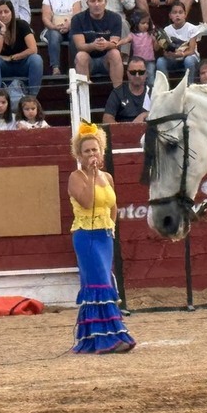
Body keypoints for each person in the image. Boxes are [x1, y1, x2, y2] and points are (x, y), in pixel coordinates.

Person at [68, 122, 135, 353]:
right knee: (100, 284)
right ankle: (109, 338)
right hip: (86, 236)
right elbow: (87, 201)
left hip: (105, 236)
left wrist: (112, 228)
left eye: (94, 150)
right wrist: (91, 176)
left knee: (103, 281)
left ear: (101, 151)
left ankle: (98, 338)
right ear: (79, 155)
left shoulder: (107, 176)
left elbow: (113, 205)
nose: (91, 154)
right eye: (86, 151)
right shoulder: (76, 177)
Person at [0, 0, 43, 100]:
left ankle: (32, 98)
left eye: (6, 11)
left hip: (22, 64)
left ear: (12, 13)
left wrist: (12, 57)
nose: (3, 15)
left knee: (36, 59)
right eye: (0, 12)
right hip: (5, 67)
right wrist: (2, 31)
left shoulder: (22, 24)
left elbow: (33, 49)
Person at [72, 0, 123, 87]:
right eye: (93, 1)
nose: (96, 4)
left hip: (106, 59)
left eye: (100, 0)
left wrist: (106, 44)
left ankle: (119, 94)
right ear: (87, 3)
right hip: (88, 60)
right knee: (81, 56)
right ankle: (83, 97)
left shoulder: (115, 18)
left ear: (105, 2)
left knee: (115, 53)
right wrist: (93, 45)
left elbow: (115, 44)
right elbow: (79, 46)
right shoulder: (77, 19)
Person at [41, 0, 82, 76]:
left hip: (71, 26)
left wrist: (69, 25)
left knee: (75, 36)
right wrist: (54, 27)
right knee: (53, 35)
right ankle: (55, 68)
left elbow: (77, 15)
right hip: (55, 28)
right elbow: (45, 18)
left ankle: (76, 68)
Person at [156, 2, 200, 84]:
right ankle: (165, 88)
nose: (177, 15)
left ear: (185, 14)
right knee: (160, 61)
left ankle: (190, 86)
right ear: (170, 16)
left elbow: (191, 50)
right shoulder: (167, 30)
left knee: (189, 60)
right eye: (174, 12)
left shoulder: (192, 28)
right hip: (173, 59)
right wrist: (170, 55)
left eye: (180, 12)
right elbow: (165, 50)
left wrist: (181, 54)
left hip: (188, 57)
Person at [102, 57, 151, 123]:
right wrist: (122, 129)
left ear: (146, 74)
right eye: (133, 72)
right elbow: (107, 118)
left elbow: (163, 114)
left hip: (148, 131)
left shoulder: (152, 92)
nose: (137, 76)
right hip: (123, 131)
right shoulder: (118, 93)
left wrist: (144, 115)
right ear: (127, 73)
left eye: (141, 72)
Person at [128, 11, 157, 81]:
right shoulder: (133, 35)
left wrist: (155, 40)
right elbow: (126, 41)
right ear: (136, 23)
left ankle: (150, 90)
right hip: (137, 62)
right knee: (138, 77)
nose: (146, 25)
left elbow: (156, 48)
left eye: (147, 23)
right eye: (143, 23)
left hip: (150, 61)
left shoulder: (150, 34)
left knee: (150, 76)